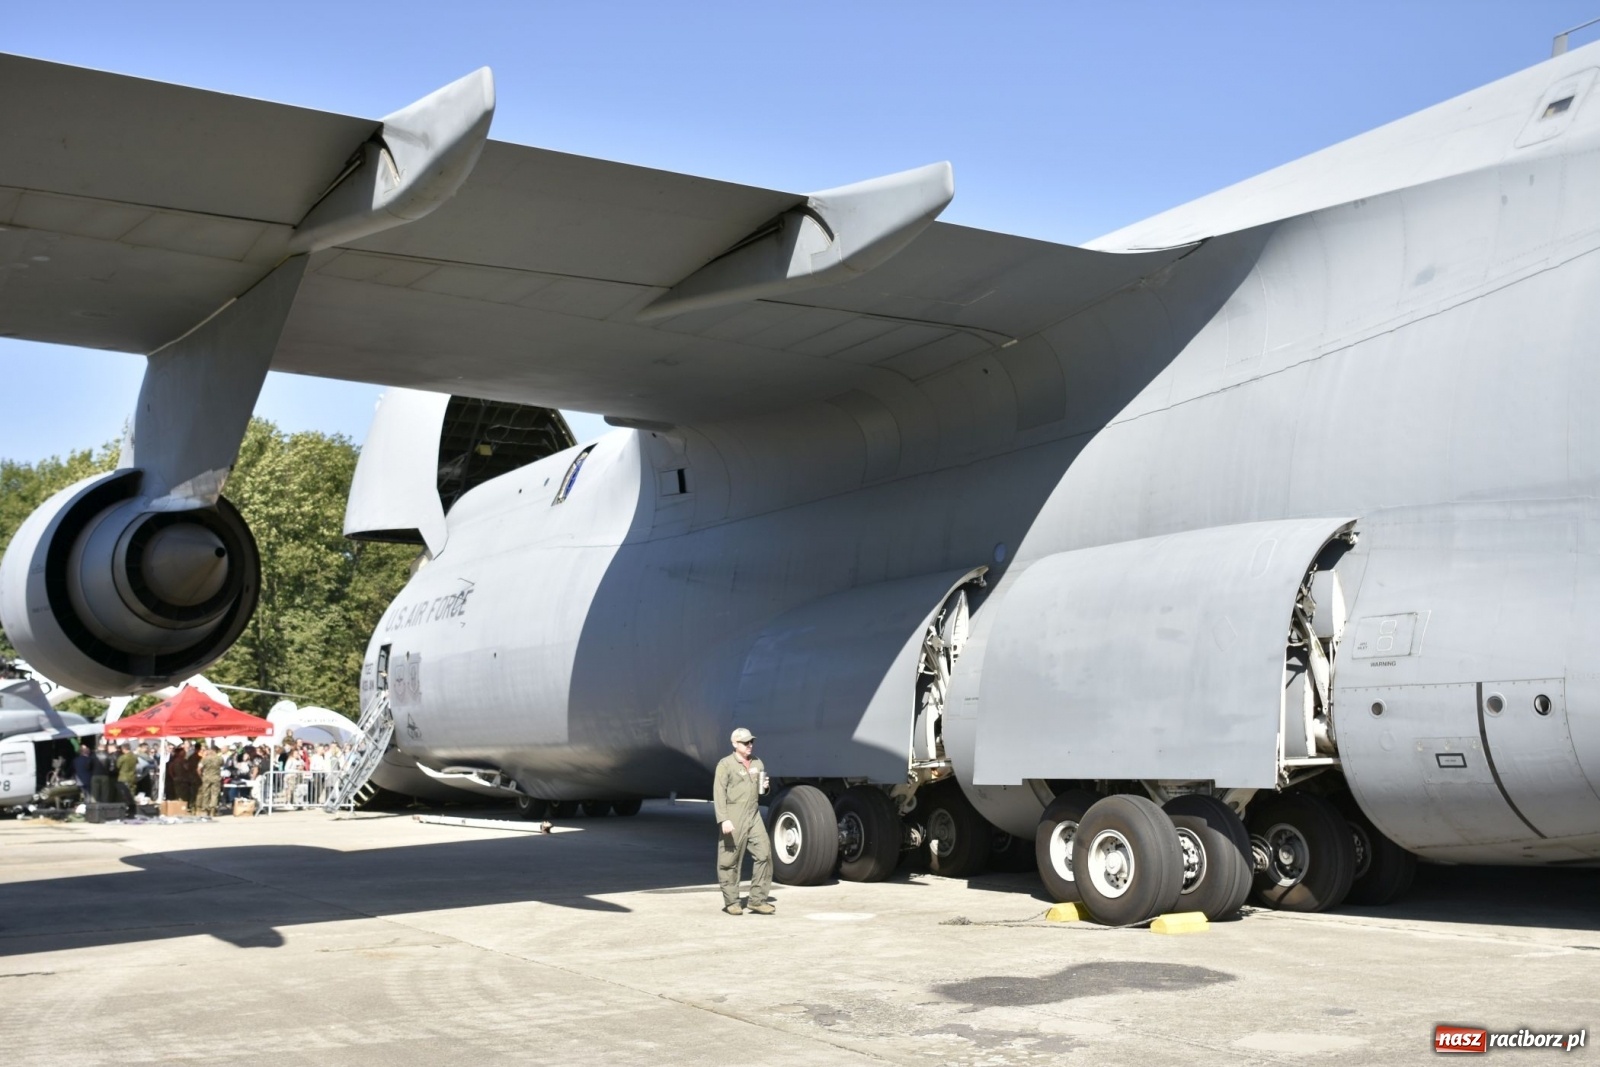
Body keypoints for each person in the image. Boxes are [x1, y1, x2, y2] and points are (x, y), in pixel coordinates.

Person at [713, 727, 774, 916]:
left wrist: (765, 787)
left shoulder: (758, 763)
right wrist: (724, 819)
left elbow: (759, 790)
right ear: (734, 744)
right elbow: (719, 793)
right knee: (729, 860)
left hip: (753, 815)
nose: (750, 745)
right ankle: (732, 901)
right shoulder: (725, 765)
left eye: (751, 742)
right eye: (745, 742)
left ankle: (757, 900)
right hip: (733, 815)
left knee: (764, 854)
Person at [194, 744, 224, 817]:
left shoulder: (204, 759)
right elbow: (222, 765)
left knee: (206, 793)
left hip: (206, 778)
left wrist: (201, 776)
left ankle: (205, 809)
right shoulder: (220, 758)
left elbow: (199, 769)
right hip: (216, 778)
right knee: (215, 794)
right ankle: (213, 810)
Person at [114, 743, 138, 816]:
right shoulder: (134, 757)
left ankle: (123, 811)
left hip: (123, 778)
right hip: (132, 777)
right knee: (131, 794)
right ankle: (132, 811)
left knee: (122, 795)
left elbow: (117, 766)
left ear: (123, 749)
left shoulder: (123, 757)